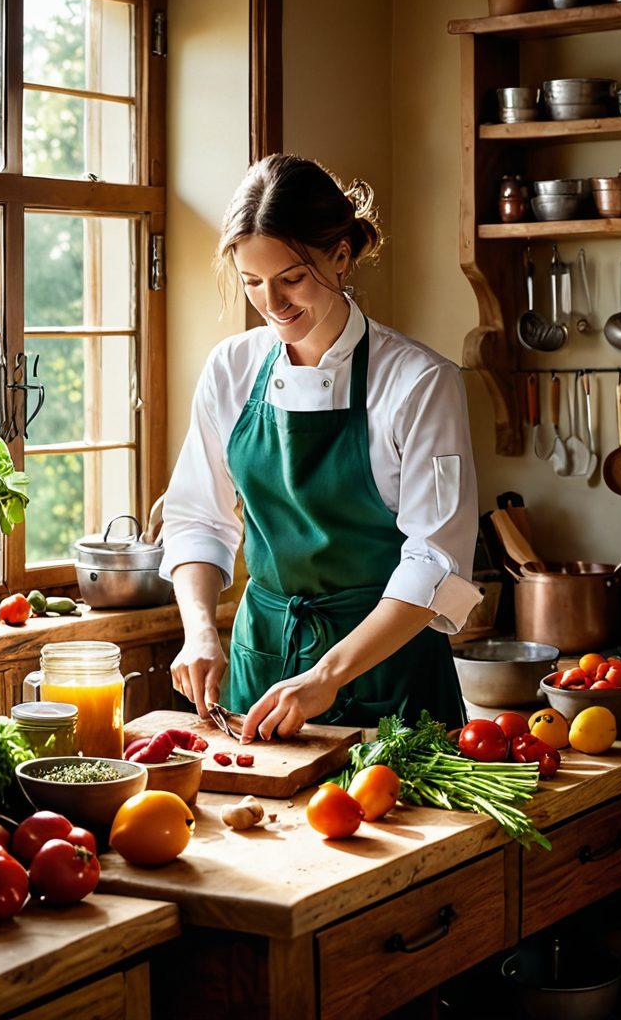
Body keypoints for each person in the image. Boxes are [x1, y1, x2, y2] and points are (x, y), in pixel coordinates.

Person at [160, 154, 481, 742]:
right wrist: (201, 629)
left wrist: (327, 674)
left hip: (389, 674)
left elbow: (437, 561)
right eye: (252, 282)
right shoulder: (230, 370)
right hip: (262, 668)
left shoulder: (417, 382)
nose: (272, 303)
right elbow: (198, 518)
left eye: (291, 278)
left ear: (341, 255)